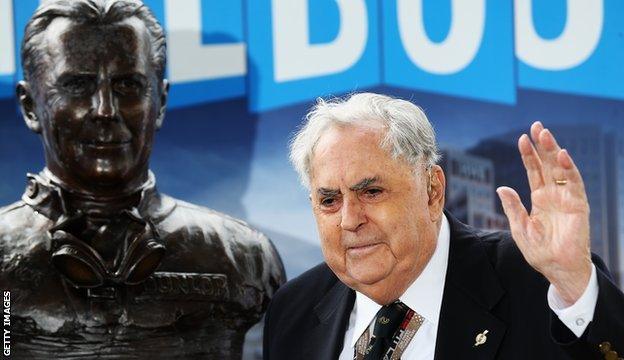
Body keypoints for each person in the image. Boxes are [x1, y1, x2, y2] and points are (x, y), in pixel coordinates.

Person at [0, 0, 284, 358]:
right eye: (77, 86)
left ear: (160, 102)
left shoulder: (245, 257)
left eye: (128, 86)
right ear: (29, 106)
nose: (105, 109)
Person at [263, 93, 624, 359]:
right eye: (329, 200)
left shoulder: (535, 280)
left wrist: (577, 289)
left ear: (432, 191)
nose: (349, 219)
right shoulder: (294, 310)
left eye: (371, 192)